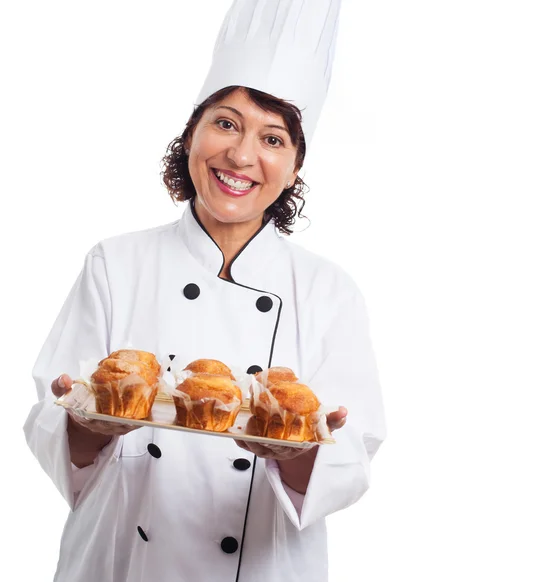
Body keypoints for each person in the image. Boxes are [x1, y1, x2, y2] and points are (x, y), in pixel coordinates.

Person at [24, 1, 385, 581]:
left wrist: (301, 457)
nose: (241, 156)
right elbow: (52, 420)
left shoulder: (328, 292)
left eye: (272, 139)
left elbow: (351, 457)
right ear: (191, 133)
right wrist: (88, 423)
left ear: (294, 167)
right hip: (121, 563)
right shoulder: (114, 263)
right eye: (225, 123)